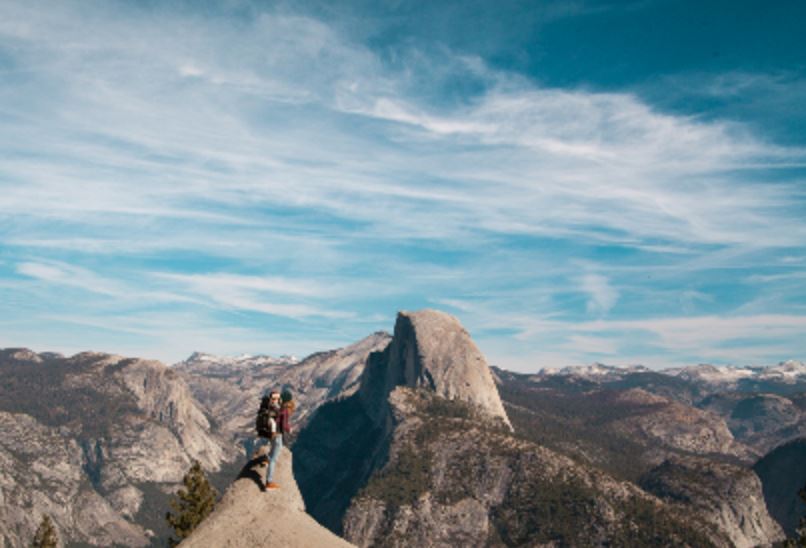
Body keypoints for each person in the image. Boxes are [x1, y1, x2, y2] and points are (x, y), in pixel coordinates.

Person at [261, 389, 295, 490]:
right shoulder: (284, 411)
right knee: (274, 459)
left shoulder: (278, 407)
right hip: (278, 434)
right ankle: (269, 482)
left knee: (274, 446)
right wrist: (290, 429)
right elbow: (284, 425)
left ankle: (267, 459)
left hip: (272, 433)